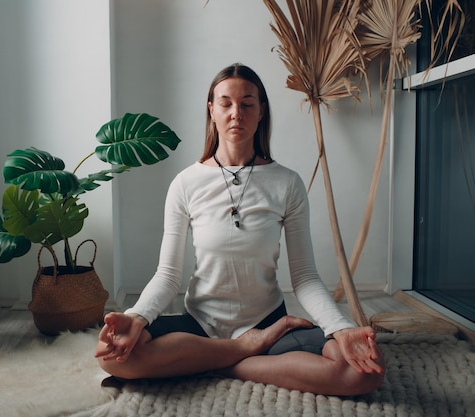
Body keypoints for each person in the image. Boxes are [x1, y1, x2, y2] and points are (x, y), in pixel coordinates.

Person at [95, 63, 385, 396]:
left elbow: (304, 277)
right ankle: (241, 352)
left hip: (268, 323)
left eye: (247, 103)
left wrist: (341, 328)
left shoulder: (287, 183)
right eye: (226, 103)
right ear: (211, 111)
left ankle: (210, 363)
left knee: (363, 373)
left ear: (261, 112)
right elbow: (168, 275)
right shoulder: (185, 184)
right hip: (199, 326)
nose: (236, 113)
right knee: (113, 356)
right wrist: (137, 316)